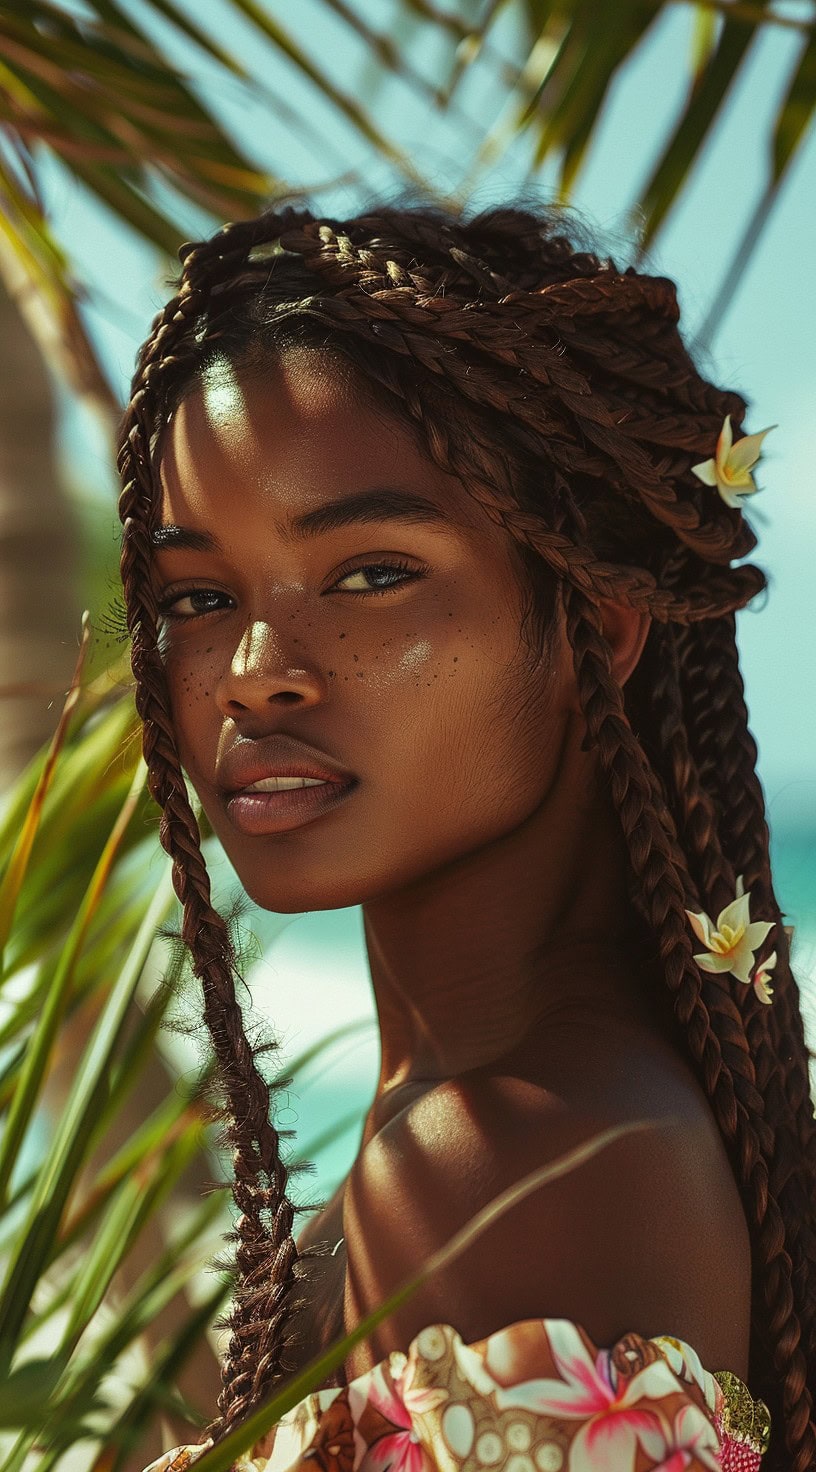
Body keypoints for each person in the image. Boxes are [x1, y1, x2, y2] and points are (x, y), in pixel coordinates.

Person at [115, 202, 816, 1471]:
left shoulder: (518, 1160)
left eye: (371, 572)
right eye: (201, 598)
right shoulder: (551, 1123)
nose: (253, 672)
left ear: (593, 627)